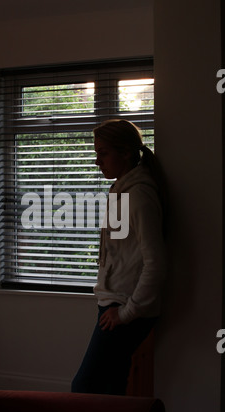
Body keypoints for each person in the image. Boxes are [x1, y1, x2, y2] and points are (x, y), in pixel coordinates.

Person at [71, 119, 167, 396]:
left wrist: (126, 313)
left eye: (103, 152)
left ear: (125, 153)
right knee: (112, 388)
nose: (97, 160)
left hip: (124, 307)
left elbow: (156, 263)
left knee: (84, 387)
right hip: (115, 303)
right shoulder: (122, 189)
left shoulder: (138, 195)